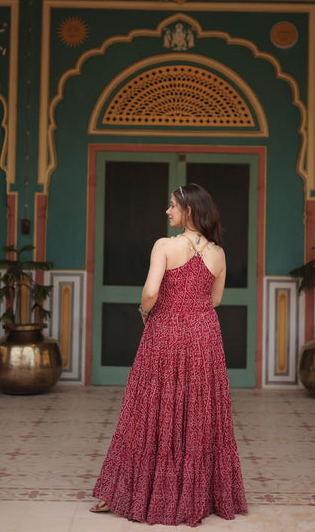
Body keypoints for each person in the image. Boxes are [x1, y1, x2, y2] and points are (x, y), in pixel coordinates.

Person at [91, 183, 248, 526]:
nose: (168, 211)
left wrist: (146, 311)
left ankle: (135, 493)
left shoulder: (164, 246)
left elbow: (150, 292)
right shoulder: (219, 253)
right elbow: (216, 300)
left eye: (173, 206)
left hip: (166, 332)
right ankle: (199, 496)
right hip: (204, 334)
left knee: (151, 408)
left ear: (189, 210)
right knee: (198, 410)